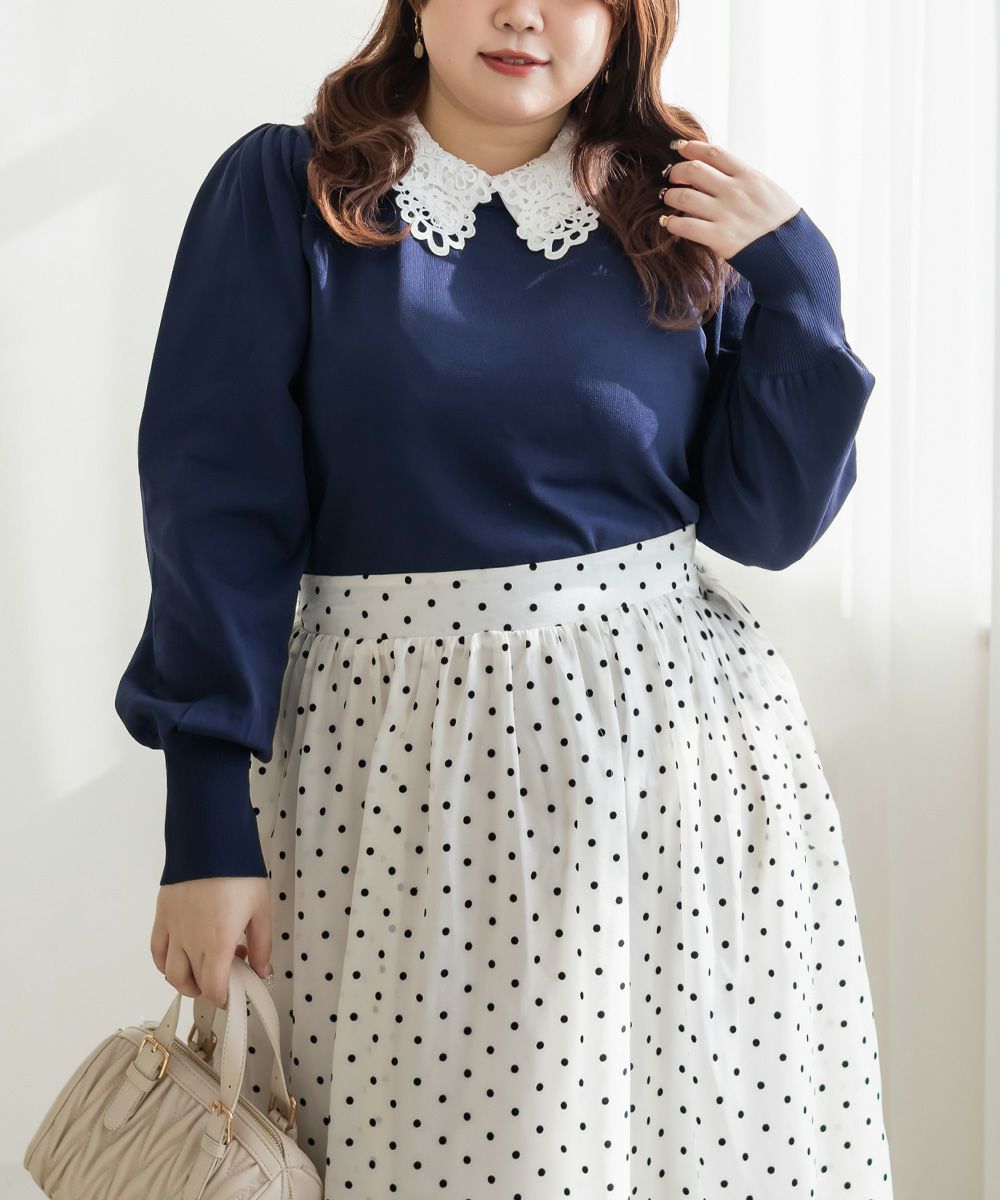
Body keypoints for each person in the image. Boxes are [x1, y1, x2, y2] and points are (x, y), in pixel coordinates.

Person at [115, 0, 895, 1194]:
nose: (523, 12)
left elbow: (765, 525)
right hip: (393, 781)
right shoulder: (289, 192)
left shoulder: (673, 210)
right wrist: (205, 826)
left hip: (673, 778)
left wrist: (799, 276)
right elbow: (213, 510)